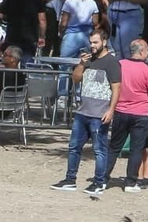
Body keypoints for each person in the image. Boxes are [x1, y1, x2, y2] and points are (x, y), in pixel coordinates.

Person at [52, 28, 121, 196]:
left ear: (104, 42)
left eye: (95, 42)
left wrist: (111, 110)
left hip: (99, 114)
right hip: (83, 112)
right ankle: (70, 179)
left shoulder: (112, 62)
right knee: (74, 147)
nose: (92, 46)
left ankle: (99, 182)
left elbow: (116, 88)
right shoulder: (87, 60)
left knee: (99, 150)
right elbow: (75, 79)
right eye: (91, 42)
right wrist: (81, 64)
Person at [108, 39, 148, 192]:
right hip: (141, 113)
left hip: (120, 111)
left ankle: (102, 178)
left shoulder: (119, 65)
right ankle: (130, 182)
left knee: (114, 147)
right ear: (141, 51)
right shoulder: (147, 70)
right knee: (136, 149)